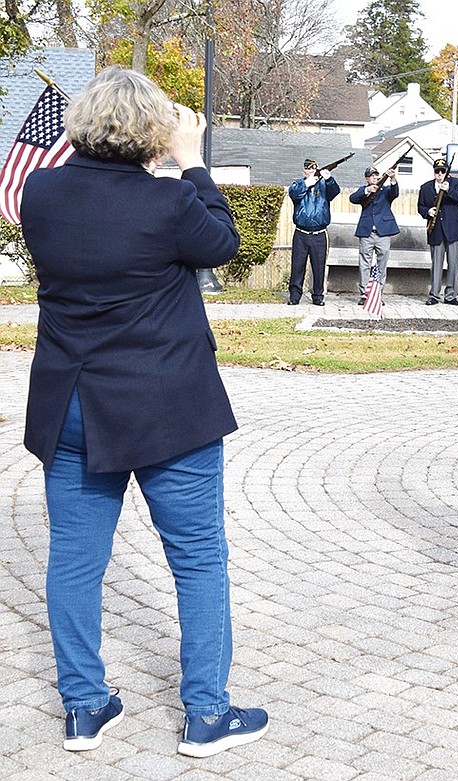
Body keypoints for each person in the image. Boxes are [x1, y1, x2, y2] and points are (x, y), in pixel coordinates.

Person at [20, 67, 268, 757]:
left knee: (73, 559)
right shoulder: (167, 203)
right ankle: (206, 713)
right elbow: (223, 242)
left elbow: (91, 195)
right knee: (196, 559)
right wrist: (190, 158)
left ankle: (84, 706)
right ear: (152, 132)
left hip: (71, 402)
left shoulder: (39, 192)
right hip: (167, 410)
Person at [287, 157, 340, 306]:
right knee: (297, 266)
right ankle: (294, 296)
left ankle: (318, 296)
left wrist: (329, 179)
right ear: (304, 170)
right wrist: (306, 184)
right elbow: (294, 194)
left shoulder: (324, 184)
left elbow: (335, 192)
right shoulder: (298, 183)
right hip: (301, 233)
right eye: (308, 169)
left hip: (319, 233)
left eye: (313, 169)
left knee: (318, 267)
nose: (310, 171)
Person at [417, 157, 458, 306]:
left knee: (454, 264)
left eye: (442, 171)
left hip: (455, 230)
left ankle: (451, 295)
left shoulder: (456, 184)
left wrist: (448, 190)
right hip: (436, 230)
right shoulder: (426, 187)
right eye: (437, 171)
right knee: (436, 264)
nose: (440, 174)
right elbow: (420, 206)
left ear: (446, 172)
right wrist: (428, 211)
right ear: (434, 172)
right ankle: (434, 295)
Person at [350, 165, 400, 305]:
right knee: (364, 264)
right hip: (366, 232)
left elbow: (394, 193)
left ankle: (378, 293)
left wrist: (393, 178)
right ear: (367, 178)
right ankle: (365, 294)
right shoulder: (363, 190)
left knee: (381, 265)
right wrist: (367, 191)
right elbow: (353, 198)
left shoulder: (385, 190)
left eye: (376, 175)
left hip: (383, 232)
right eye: (371, 175)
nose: (374, 177)